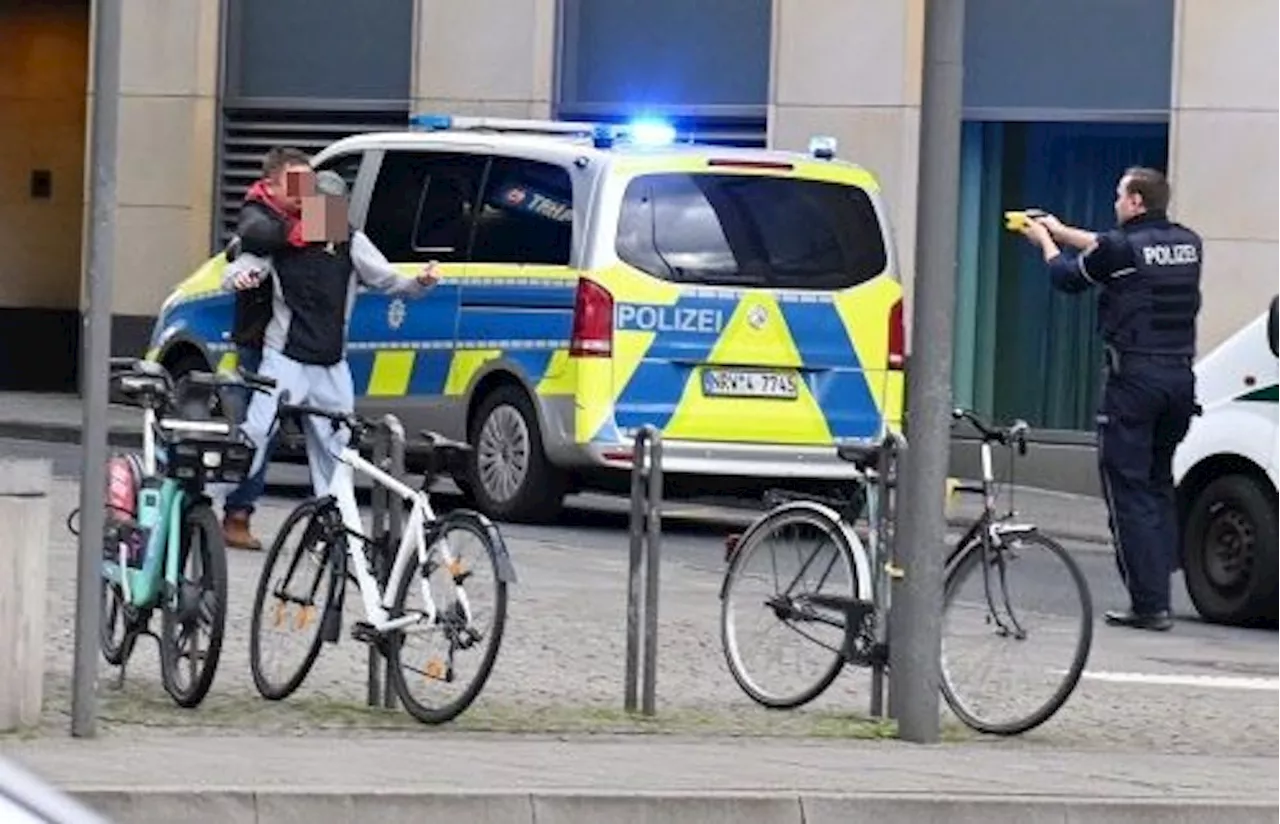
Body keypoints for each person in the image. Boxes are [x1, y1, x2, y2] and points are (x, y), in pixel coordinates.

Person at [1017, 167, 1202, 632]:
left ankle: (1148, 604)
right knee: (1158, 483)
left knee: (1127, 488)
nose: (1115, 201)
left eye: (1120, 195)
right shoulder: (1188, 242)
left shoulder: (1122, 249)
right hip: (1179, 381)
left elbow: (1067, 277)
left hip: (1134, 381)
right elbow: (1111, 248)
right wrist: (1060, 228)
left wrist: (1045, 241)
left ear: (1136, 202)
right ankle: (1160, 586)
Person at [223, 169, 440, 561]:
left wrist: (417, 284)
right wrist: (240, 278)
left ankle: (332, 527)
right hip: (284, 358)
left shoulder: (349, 240)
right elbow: (243, 264)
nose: (326, 215)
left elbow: (386, 277)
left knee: (336, 449)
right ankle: (219, 503)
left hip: (329, 363)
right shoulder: (282, 236)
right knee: (255, 433)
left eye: (333, 206)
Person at [221, 146, 312, 551]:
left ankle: (329, 523)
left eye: (308, 183)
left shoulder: (316, 211)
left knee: (331, 437)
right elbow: (258, 234)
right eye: (294, 184)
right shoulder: (257, 213)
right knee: (255, 430)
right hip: (262, 343)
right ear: (269, 184)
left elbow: (347, 238)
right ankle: (234, 511)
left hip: (311, 342)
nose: (303, 193)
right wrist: (304, 227)